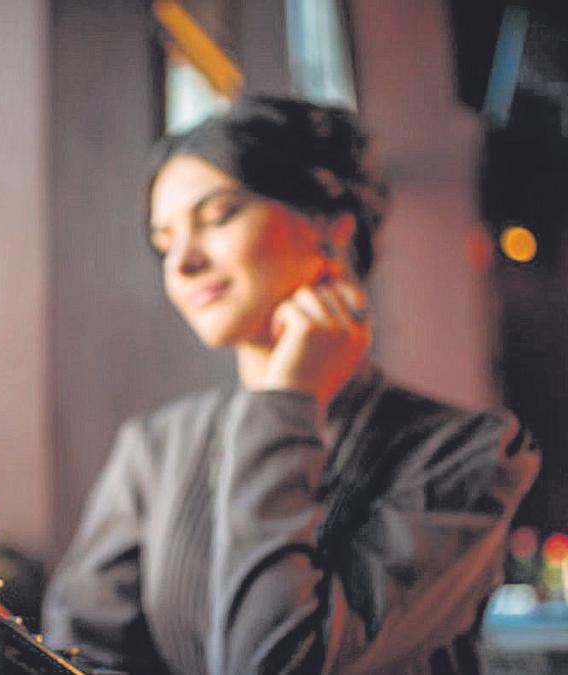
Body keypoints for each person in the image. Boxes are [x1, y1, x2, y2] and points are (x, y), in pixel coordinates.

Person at [41, 96, 540, 674]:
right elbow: (75, 656)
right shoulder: (154, 447)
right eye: (164, 242)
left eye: (220, 214)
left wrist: (284, 403)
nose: (181, 265)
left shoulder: (467, 452)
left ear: (330, 228)